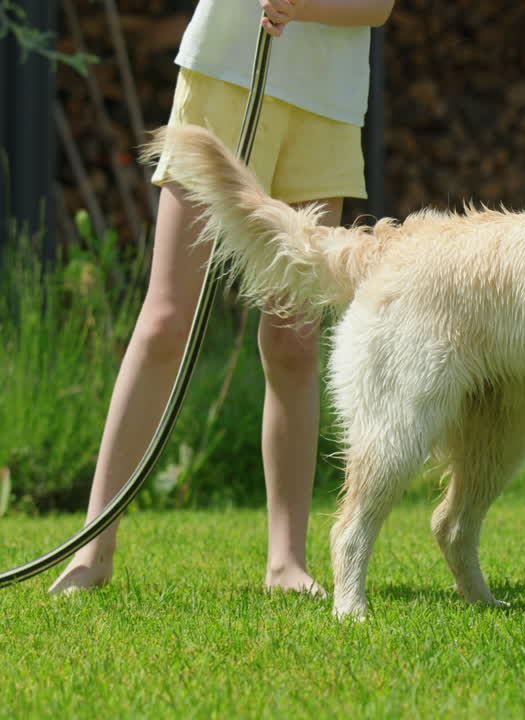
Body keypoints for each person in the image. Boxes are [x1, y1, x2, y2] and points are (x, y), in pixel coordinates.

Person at [49, 0, 395, 596]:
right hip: (225, 76)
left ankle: (286, 563)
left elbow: (377, 7)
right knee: (166, 320)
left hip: (328, 105)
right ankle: (92, 550)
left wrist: (304, 5)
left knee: (294, 340)